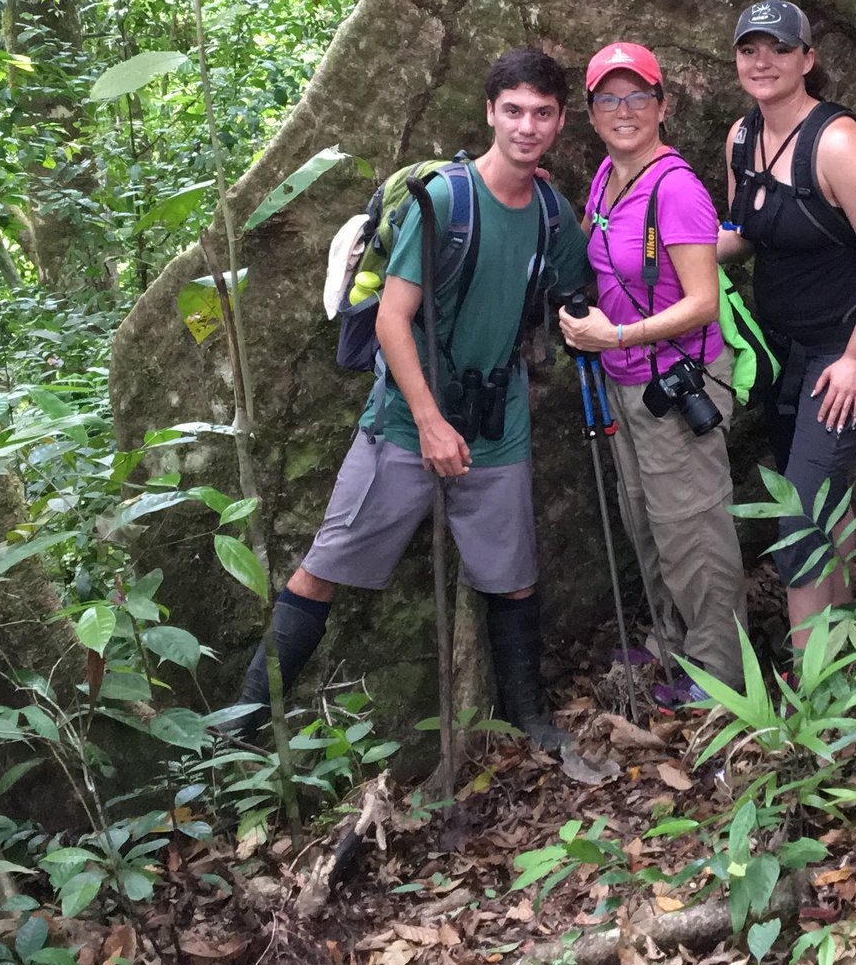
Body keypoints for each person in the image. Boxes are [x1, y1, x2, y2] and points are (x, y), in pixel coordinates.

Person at [236, 48, 591, 752]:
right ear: (490, 112)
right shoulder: (446, 201)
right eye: (513, 110)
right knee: (323, 568)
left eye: (542, 113)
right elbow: (393, 319)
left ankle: (529, 719)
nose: (526, 126)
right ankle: (238, 731)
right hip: (404, 423)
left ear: (558, 124)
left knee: (513, 579)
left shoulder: (551, 211)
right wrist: (429, 422)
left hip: (497, 424)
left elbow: (582, 288)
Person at [558, 42, 748, 698]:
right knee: (647, 521)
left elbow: (700, 302)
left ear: (662, 104)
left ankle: (721, 679)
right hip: (622, 380)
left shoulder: (676, 188)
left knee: (693, 528)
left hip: (676, 381)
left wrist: (615, 333)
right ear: (590, 112)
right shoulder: (607, 179)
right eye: (608, 97)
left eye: (637, 94)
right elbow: (590, 250)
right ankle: (674, 647)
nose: (624, 109)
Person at [717, 0, 856, 643]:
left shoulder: (838, 142)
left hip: (841, 352)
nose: (762, 61)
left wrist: (854, 358)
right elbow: (742, 234)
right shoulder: (742, 137)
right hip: (779, 353)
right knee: (820, 496)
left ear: (808, 59)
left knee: (796, 517)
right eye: (750, 48)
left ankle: (814, 697)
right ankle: (853, 637)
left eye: (778, 48)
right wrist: (655, 252)